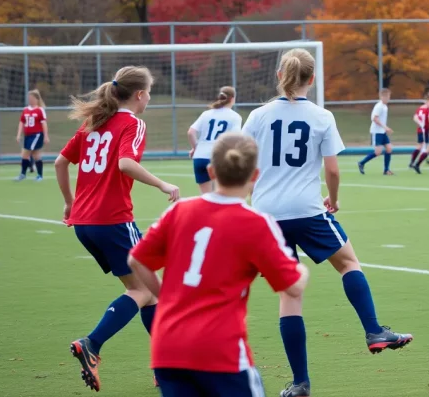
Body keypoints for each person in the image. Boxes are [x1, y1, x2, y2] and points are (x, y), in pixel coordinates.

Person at [241, 49, 412, 397]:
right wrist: (332, 199)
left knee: (290, 294)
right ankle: (373, 330)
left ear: (278, 76)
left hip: (266, 217)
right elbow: (332, 169)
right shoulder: (322, 117)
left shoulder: (257, 116)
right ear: (312, 79)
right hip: (307, 210)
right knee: (348, 262)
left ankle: (300, 382)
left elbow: (242, 164)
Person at [128, 134, 309, 397]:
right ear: (255, 175)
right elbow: (292, 287)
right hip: (220, 350)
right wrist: (300, 269)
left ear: (211, 171)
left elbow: (137, 260)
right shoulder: (254, 223)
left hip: (168, 347)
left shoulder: (180, 211)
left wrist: (164, 296)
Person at [54, 66, 180, 392]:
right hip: (113, 220)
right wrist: (163, 184)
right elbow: (125, 163)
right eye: (149, 91)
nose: (149, 97)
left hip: (84, 223)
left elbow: (60, 162)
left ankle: (165, 367)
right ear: (139, 94)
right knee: (145, 290)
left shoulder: (94, 123)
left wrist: (70, 202)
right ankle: (92, 345)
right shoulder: (133, 123)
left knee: (149, 294)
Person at [188, 86, 243, 193]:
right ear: (232, 99)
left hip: (200, 157)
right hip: (218, 157)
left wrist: (195, 148)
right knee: (221, 197)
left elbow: (191, 132)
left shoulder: (206, 114)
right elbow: (235, 139)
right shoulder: (235, 117)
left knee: (206, 198)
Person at [358, 88, 393, 175]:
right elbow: (374, 118)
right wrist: (385, 127)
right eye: (387, 96)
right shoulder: (379, 106)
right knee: (378, 152)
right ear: (382, 97)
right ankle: (361, 163)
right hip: (377, 132)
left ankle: (386, 170)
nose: (388, 98)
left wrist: (385, 129)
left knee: (389, 149)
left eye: (389, 96)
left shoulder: (385, 106)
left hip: (382, 132)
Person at [15, 89, 49, 181]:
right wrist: (18, 135)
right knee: (36, 155)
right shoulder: (25, 110)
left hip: (37, 135)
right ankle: (39, 175)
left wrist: (46, 136)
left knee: (25, 153)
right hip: (27, 136)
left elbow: (44, 124)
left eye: (32, 98)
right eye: (29, 98)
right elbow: (21, 122)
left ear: (36, 99)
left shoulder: (40, 110)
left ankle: (23, 174)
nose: (30, 99)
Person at [409, 89, 429, 168]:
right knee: (424, 145)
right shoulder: (428, 109)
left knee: (423, 145)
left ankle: (423, 160)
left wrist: (420, 123)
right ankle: (413, 162)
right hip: (425, 130)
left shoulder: (421, 108)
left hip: (422, 129)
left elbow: (415, 117)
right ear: (428, 100)